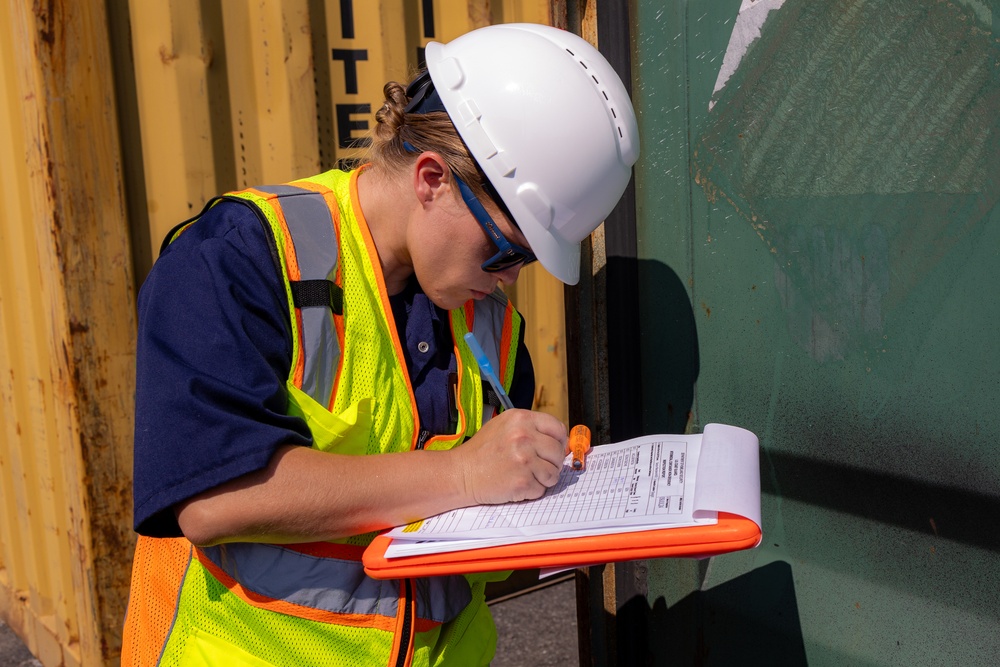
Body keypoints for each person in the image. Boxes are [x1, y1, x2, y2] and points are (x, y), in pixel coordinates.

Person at [122, 22, 638, 667]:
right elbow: (210, 498)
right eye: (507, 250)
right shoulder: (240, 257)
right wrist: (464, 473)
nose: (508, 279)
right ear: (431, 179)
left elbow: (485, 564)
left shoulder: (489, 324)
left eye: (528, 262)